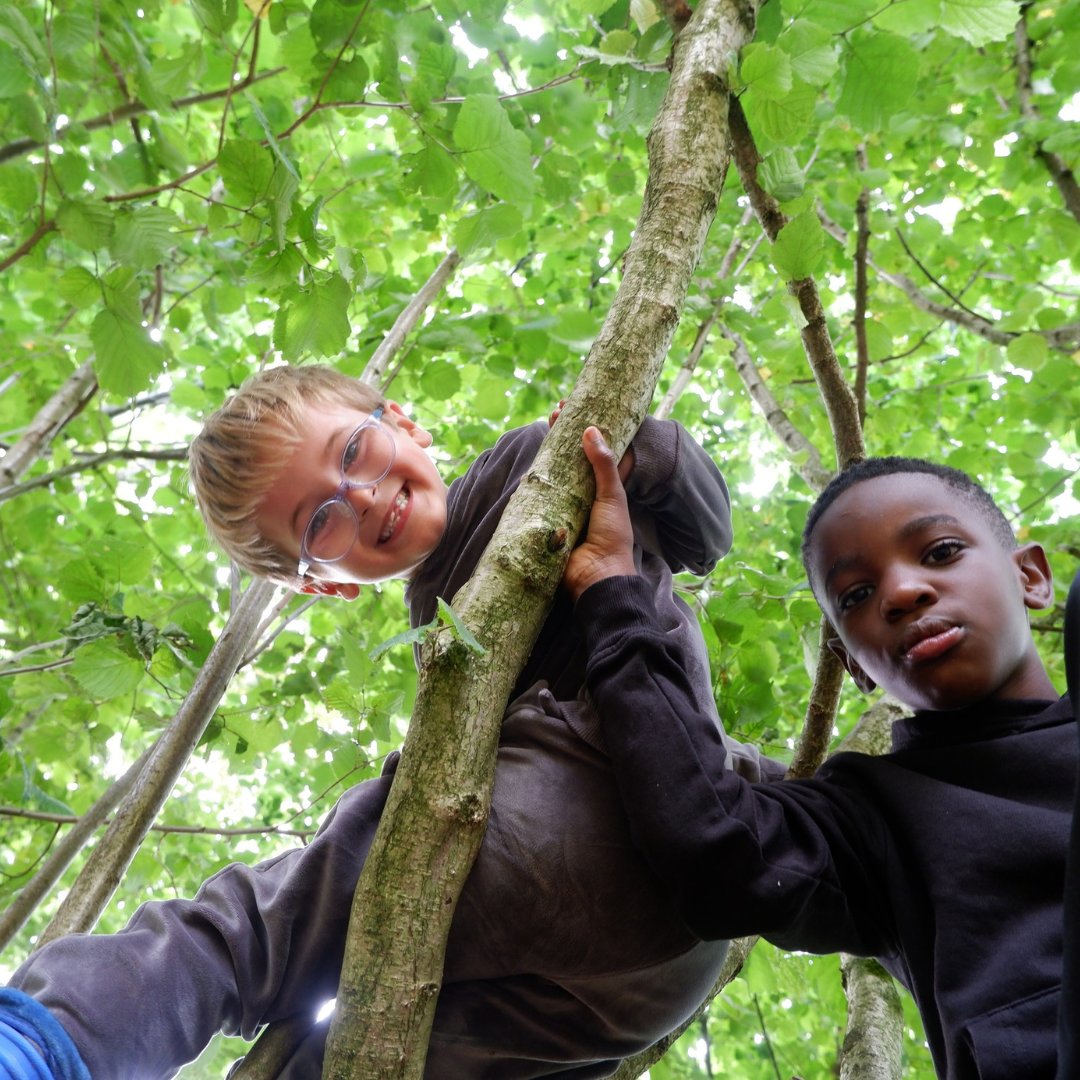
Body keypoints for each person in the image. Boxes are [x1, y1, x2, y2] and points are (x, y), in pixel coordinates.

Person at [1, 366, 780, 1080]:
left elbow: (706, 535)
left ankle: (48, 1039)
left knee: (261, 927)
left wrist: (637, 452)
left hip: (633, 796)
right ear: (325, 587)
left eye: (357, 451)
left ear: (403, 421)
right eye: (321, 524)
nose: (364, 496)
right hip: (609, 997)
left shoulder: (531, 465)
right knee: (349, 1053)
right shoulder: (431, 630)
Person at [562, 428, 1077, 1080]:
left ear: (1030, 577)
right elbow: (716, 844)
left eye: (942, 552)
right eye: (857, 596)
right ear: (853, 666)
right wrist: (613, 593)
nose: (901, 594)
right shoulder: (870, 816)